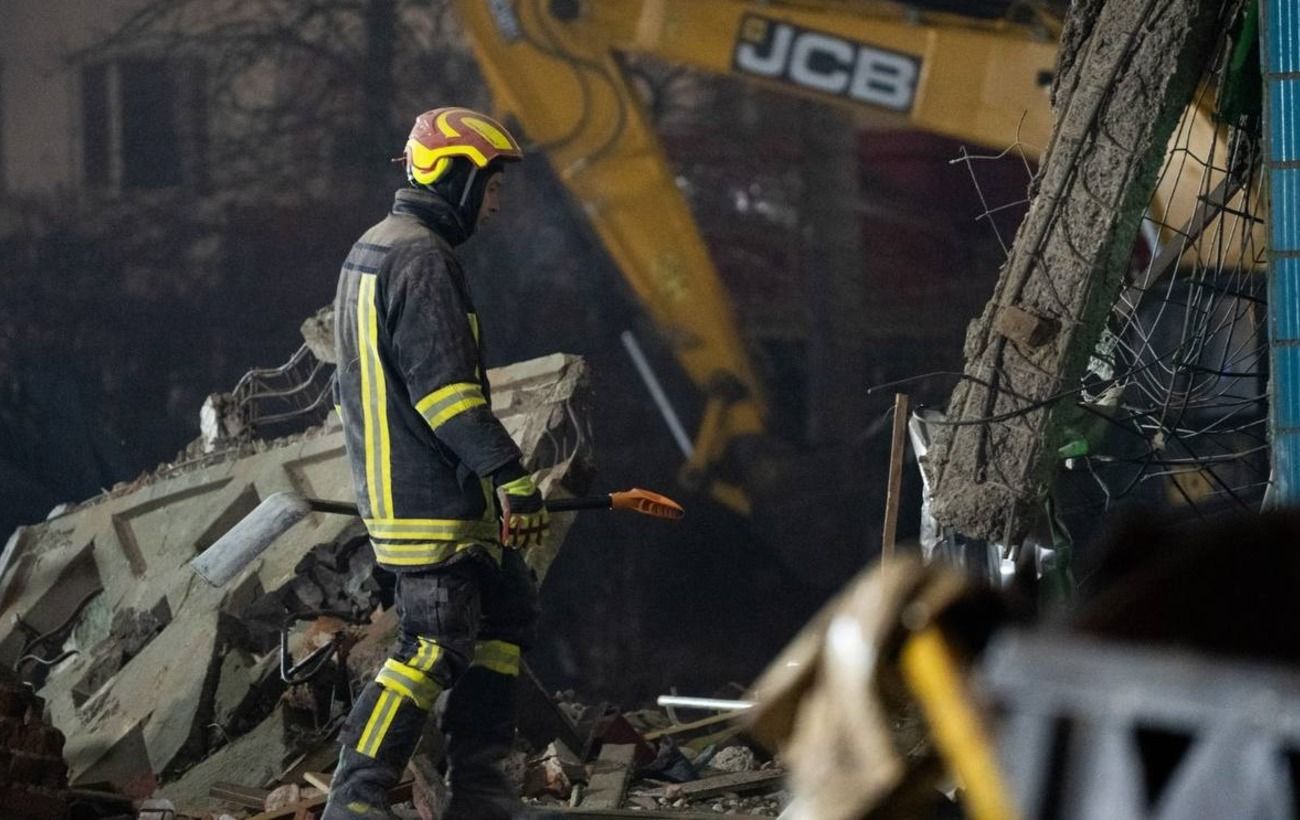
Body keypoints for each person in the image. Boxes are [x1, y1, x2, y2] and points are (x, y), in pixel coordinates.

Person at [322, 107, 550, 820]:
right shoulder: (422, 259)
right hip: (431, 502)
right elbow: (447, 395)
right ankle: (354, 803)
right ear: (456, 177)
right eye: (491, 186)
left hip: (413, 491)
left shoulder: (377, 246)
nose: (496, 204)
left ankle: (480, 794)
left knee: (508, 607)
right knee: (432, 646)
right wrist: (512, 478)